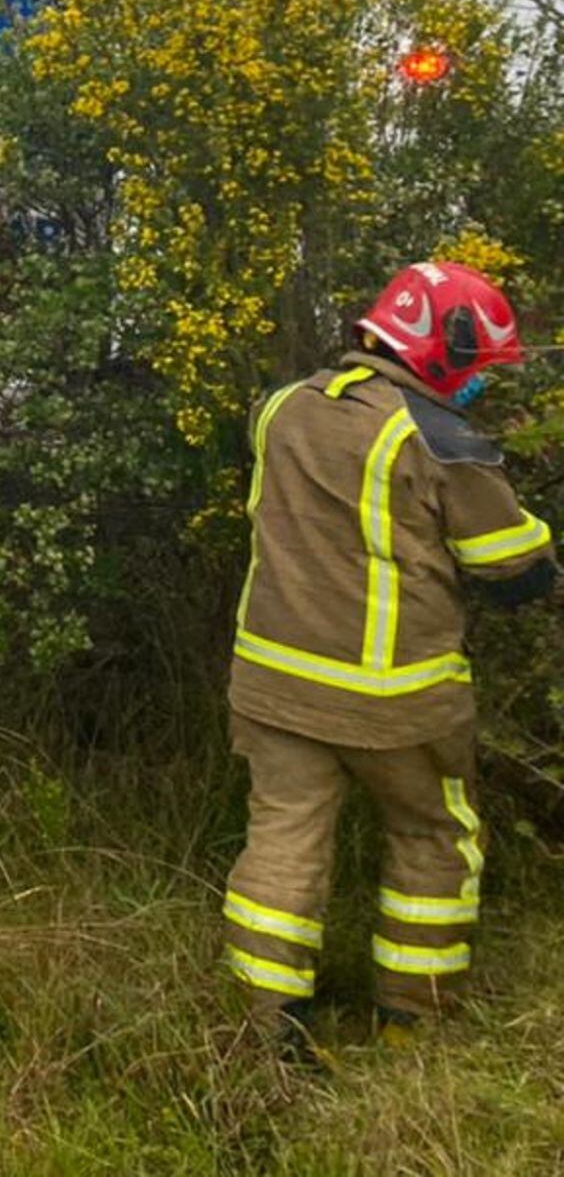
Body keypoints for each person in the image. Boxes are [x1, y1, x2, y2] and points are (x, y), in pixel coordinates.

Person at [223, 262, 554, 1050]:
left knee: (282, 838)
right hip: (396, 699)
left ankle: (265, 1029)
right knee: (435, 837)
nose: (476, 384)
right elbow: (511, 567)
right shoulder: (438, 436)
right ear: (440, 350)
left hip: (272, 684)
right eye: (474, 367)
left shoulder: (279, 410)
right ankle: (413, 1017)